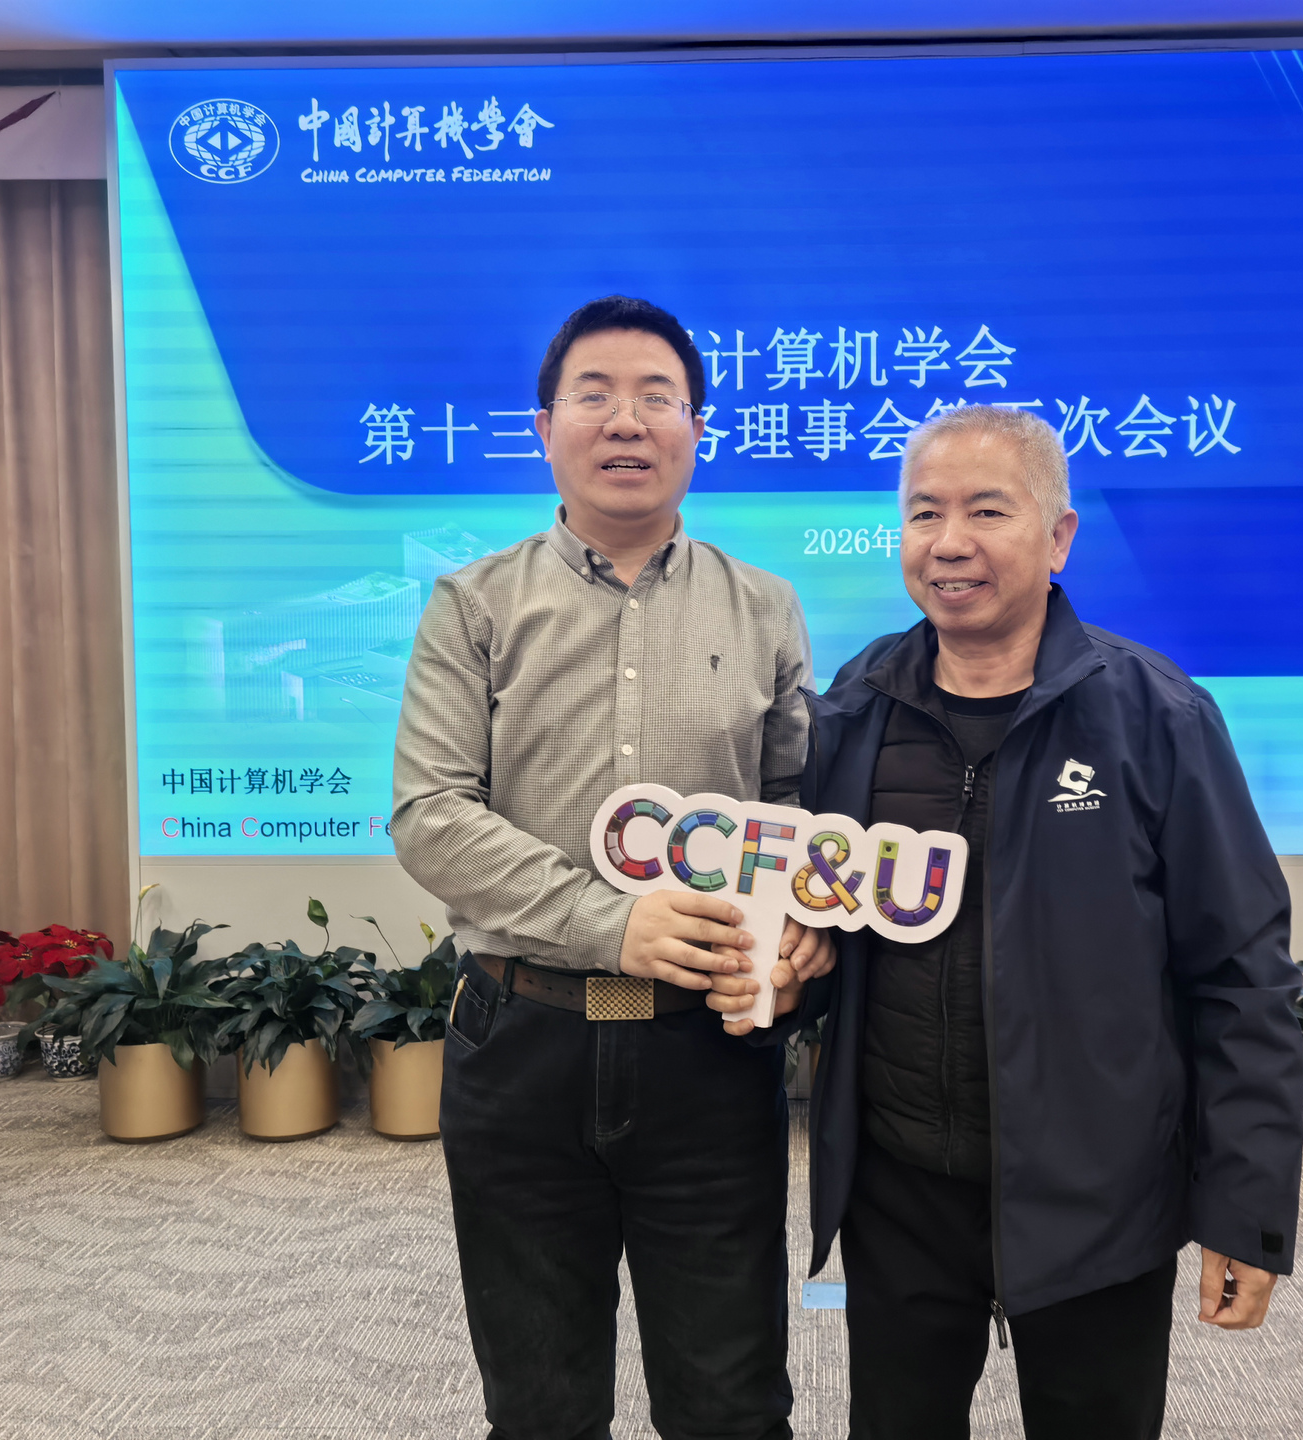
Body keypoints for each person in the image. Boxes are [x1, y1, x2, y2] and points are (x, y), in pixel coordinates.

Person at [800, 404, 1303, 1440]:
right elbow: (817, 923)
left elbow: (1242, 972)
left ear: (1059, 536)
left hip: (1098, 1201)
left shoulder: (1156, 716)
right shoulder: (856, 708)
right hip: (900, 1194)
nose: (950, 542)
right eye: (924, 513)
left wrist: (1245, 1207)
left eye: (988, 511)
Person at [391, 295, 832, 1440]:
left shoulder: (766, 606)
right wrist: (611, 923)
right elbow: (431, 814)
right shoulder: (474, 606)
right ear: (545, 427)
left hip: (707, 1054)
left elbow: (794, 810)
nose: (626, 421)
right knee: (540, 1405)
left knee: (731, 1401)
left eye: (656, 398)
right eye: (594, 396)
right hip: (522, 1043)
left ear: (698, 429)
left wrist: (800, 926)